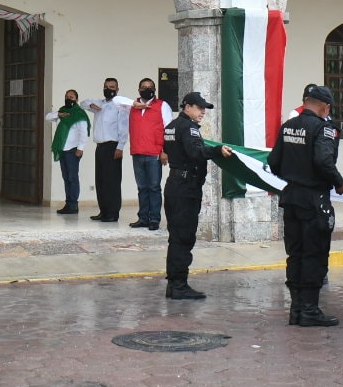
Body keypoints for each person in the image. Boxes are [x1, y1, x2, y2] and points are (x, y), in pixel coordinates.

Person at [268, 83, 343, 327]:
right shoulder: (323, 129)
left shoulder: (287, 127)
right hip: (314, 199)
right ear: (325, 107)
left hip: (291, 197)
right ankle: (310, 309)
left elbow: (273, 162)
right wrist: (339, 182)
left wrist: (295, 175)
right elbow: (324, 160)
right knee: (314, 254)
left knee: (296, 254)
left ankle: (297, 308)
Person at [161, 91, 233, 300]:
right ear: (188, 107)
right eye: (200, 108)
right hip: (185, 188)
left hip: (175, 184)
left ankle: (174, 283)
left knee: (176, 236)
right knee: (183, 237)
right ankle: (178, 285)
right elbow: (196, 152)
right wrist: (218, 150)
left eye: (204, 109)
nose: (203, 112)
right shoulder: (188, 128)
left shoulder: (171, 127)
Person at [83, 77, 131, 222]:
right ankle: (103, 211)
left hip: (113, 146)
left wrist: (120, 147)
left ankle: (112, 213)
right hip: (100, 147)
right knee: (101, 181)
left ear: (117, 90)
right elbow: (82, 103)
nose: (109, 89)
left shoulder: (120, 106)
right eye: (106, 86)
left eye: (112, 87)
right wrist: (91, 104)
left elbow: (123, 127)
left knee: (112, 182)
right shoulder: (99, 103)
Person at [127, 77, 173, 230]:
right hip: (137, 152)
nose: (147, 89)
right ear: (139, 90)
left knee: (154, 187)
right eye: (143, 87)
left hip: (155, 154)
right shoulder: (132, 107)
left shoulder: (162, 105)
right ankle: (143, 218)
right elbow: (115, 101)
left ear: (154, 89)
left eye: (150, 87)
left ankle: (154, 219)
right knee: (142, 188)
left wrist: (165, 151)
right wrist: (133, 104)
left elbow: (168, 129)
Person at [46, 90, 90, 214]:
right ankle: (68, 203)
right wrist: (59, 114)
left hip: (73, 150)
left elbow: (83, 132)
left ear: (76, 99)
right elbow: (48, 117)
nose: (68, 99)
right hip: (62, 149)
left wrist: (80, 148)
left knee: (72, 178)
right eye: (66, 97)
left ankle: (73, 205)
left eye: (71, 97)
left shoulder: (79, 114)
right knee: (66, 178)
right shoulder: (62, 111)